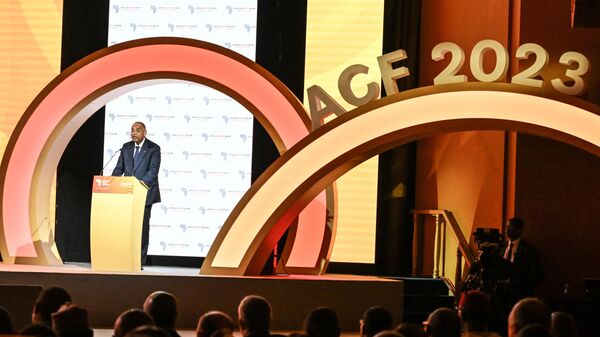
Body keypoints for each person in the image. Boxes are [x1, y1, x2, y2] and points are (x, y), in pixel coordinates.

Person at [112, 121, 161, 265]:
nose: (134, 133)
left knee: (142, 229)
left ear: (145, 132)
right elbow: (119, 168)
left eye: (137, 130)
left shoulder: (153, 148)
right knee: (126, 228)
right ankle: (125, 258)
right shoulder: (126, 147)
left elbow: (153, 172)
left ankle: (139, 261)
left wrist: (137, 186)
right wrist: (110, 182)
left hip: (144, 195)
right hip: (126, 194)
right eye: (132, 130)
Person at [501, 218, 543, 300]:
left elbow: (537, 273)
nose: (506, 229)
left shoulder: (528, 249)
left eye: (510, 227)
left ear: (518, 230)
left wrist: (519, 283)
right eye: (506, 227)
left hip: (519, 294)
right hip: (501, 294)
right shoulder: (501, 247)